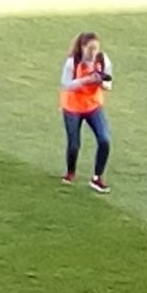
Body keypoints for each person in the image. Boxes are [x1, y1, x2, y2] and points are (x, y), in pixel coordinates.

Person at [59, 31, 114, 194]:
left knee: (104, 139)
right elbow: (66, 84)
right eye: (90, 49)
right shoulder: (72, 63)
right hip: (72, 107)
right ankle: (70, 172)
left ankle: (97, 177)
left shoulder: (103, 61)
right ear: (82, 48)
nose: (93, 53)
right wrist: (85, 80)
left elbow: (109, 83)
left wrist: (101, 83)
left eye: (96, 49)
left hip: (93, 105)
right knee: (74, 144)